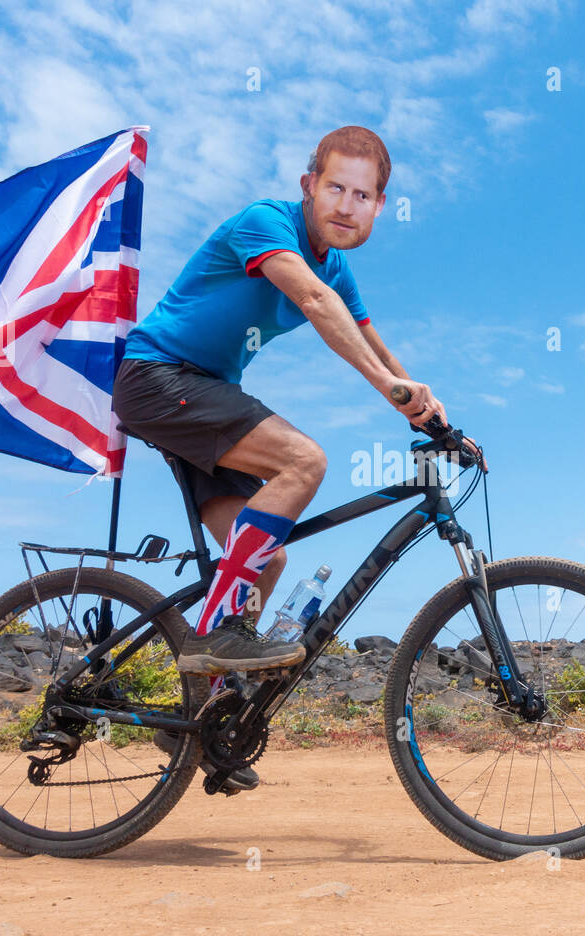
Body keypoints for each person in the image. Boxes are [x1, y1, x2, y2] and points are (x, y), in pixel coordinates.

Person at [113, 126, 460, 792]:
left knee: (266, 559)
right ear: (309, 186)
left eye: (364, 195)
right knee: (303, 462)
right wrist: (390, 392)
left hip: (206, 396)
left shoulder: (339, 266)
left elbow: (368, 336)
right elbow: (314, 301)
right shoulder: (265, 223)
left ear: (380, 206)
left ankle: (199, 715)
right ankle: (217, 634)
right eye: (336, 187)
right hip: (159, 378)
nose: (347, 205)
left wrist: (432, 412)